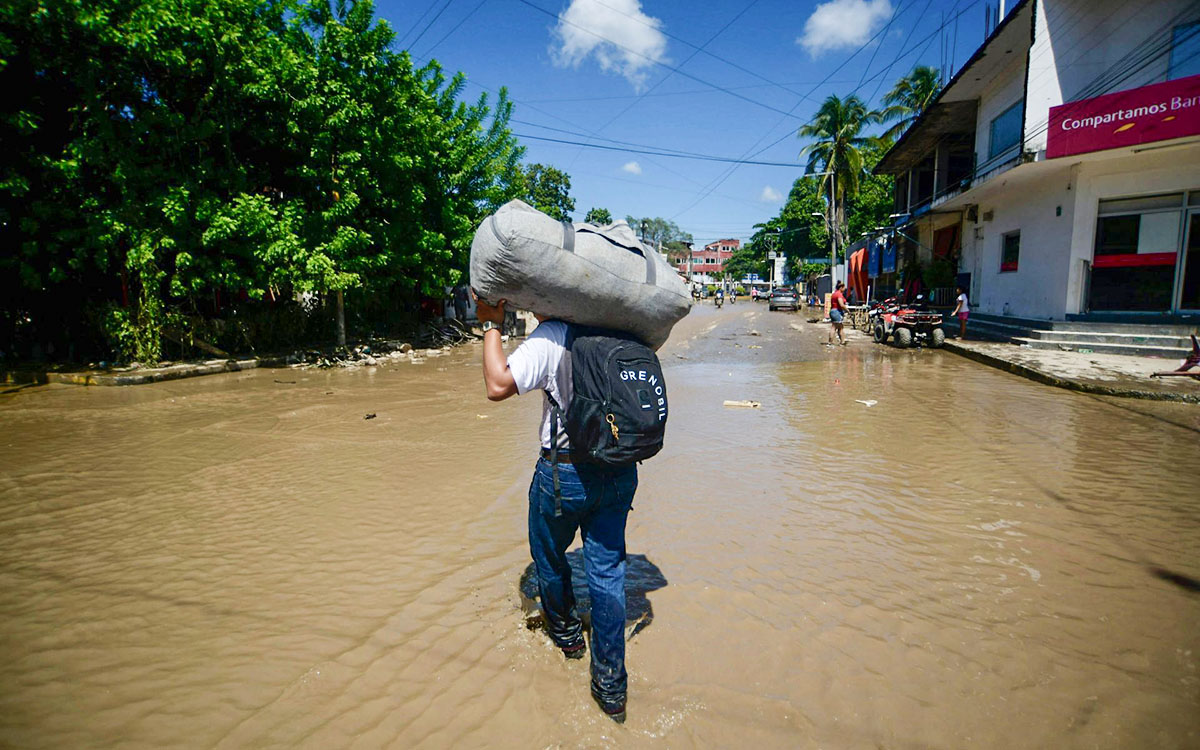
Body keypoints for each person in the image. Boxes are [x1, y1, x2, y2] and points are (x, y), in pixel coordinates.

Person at [473, 294, 638, 724]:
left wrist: (491, 323)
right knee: (607, 573)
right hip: (619, 473)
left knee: (548, 556)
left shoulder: (553, 337)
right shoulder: (624, 331)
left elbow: (497, 385)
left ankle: (567, 639)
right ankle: (611, 689)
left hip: (564, 476)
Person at [828, 281, 848, 346]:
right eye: (844, 288)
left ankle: (840, 341)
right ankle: (834, 342)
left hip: (832, 311)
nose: (845, 289)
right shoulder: (839, 294)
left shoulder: (834, 294)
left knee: (838, 327)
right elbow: (841, 305)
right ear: (841, 287)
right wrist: (848, 311)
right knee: (836, 327)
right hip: (837, 312)